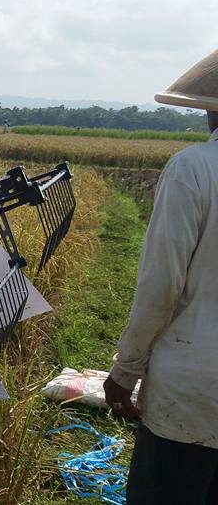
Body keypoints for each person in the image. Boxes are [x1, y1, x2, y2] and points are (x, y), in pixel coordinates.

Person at [104, 49, 218, 503]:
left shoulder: (194, 169)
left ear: (209, 108)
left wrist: (125, 370)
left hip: (193, 391)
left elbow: (160, 288)